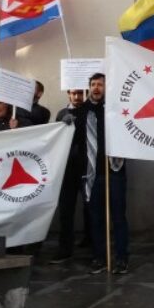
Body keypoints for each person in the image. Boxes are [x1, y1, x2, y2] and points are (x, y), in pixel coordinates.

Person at [75, 73, 129, 275]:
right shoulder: (82, 112)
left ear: (107, 87)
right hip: (91, 173)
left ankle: (122, 258)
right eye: (93, 84)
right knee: (95, 218)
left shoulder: (116, 110)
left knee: (118, 217)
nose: (96, 88)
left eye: (100, 84)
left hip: (115, 170)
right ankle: (99, 257)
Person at [50, 89, 89, 263]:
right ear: (68, 94)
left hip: (87, 166)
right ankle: (65, 247)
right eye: (74, 93)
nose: (77, 97)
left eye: (80, 93)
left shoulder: (90, 111)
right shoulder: (62, 113)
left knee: (90, 207)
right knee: (66, 209)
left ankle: (92, 242)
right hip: (66, 168)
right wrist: (62, 124)